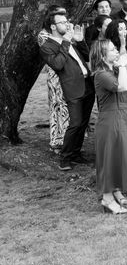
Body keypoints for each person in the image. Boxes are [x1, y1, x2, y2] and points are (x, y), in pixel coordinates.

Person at [39, 11, 94, 171]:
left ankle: (76, 154)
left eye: (66, 21)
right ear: (53, 26)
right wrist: (66, 42)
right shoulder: (47, 46)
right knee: (75, 123)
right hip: (72, 87)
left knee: (83, 123)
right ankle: (65, 157)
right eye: (62, 22)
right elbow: (58, 64)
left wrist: (80, 40)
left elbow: (86, 56)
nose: (67, 24)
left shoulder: (70, 40)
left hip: (87, 84)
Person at [91, 40, 127, 215]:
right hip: (110, 120)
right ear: (102, 55)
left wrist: (123, 65)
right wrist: (122, 65)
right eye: (112, 49)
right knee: (109, 158)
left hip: (122, 116)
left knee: (119, 155)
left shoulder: (114, 69)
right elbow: (122, 86)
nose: (117, 51)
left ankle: (116, 189)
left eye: (116, 48)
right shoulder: (101, 74)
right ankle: (107, 198)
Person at [37, 6, 69, 154]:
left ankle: (67, 139)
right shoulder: (43, 35)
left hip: (68, 73)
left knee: (66, 108)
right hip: (55, 74)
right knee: (57, 107)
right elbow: (54, 54)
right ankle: (57, 141)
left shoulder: (65, 32)